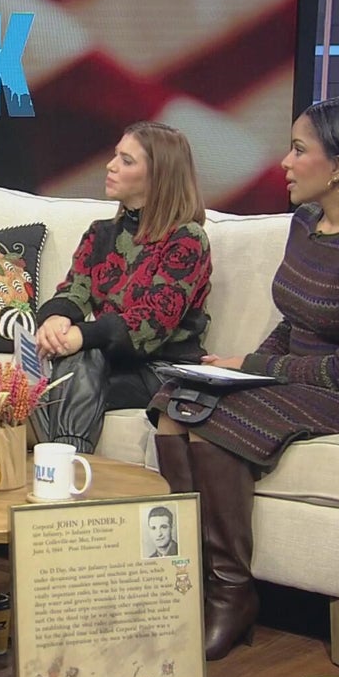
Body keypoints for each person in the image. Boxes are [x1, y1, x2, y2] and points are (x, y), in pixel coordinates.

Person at [148, 94, 339, 660]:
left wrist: (252, 368)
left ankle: (232, 594)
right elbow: (294, 322)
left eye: (298, 150)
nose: (285, 163)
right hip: (304, 379)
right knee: (176, 403)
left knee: (216, 422)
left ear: (338, 167)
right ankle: (185, 578)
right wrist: (237, 366)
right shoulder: (306, 222)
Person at [33, 122, 212, 453]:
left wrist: (82, 335)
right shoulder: (100, 233)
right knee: (68, 369)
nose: (110, 165)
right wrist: (57, 318)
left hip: (161, 369)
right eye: (116, 155)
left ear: (159, 176)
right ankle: (67, 459)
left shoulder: (186, 239)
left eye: (126, 160)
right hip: (107, 363)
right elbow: (75, 289)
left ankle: (63, 459)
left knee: (73, 369)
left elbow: (151, 323)